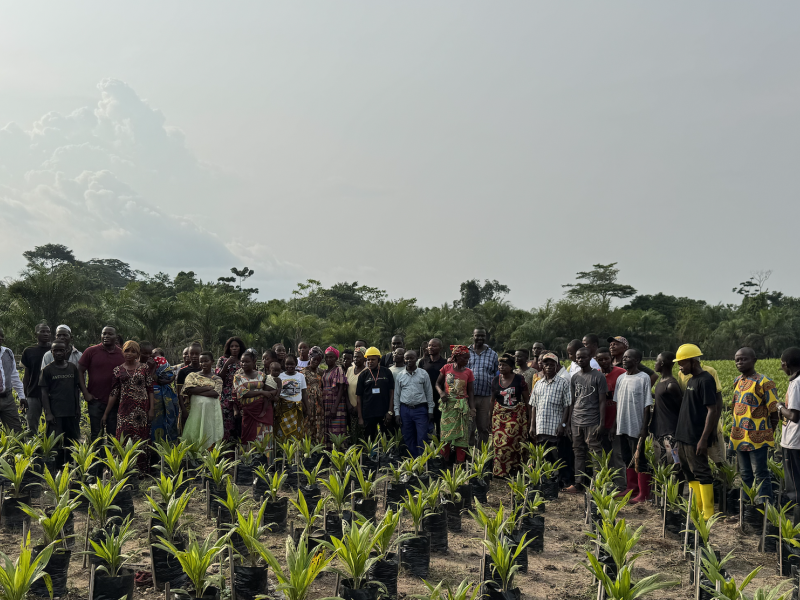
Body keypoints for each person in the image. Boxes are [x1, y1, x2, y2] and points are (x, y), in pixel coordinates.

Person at [674, 343, 721, 519]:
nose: (680, 367)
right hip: (684, 435)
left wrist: (703, 439)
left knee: (701, 471)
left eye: (682, 363)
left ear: (693, 361)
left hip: (696, 436)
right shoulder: (691, 380)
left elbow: (712, 410)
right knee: (688, 471)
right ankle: (697, 507)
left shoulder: (706, 379)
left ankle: (708, 512)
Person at [731, 347, 778, 504]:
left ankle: (766, 509)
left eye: (744, 359)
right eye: (737, 359)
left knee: (761, 473)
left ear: (754, 360)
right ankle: (746, 507)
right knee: (745, 474)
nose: (740, 362)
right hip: (739, 435)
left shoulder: (764, 382)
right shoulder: (738, 381)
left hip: (758, 436)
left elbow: (774, 411)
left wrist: (768, 430)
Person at [103, 341, 155, 473]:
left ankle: (141, 470)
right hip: (124, 411)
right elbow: (114, 393)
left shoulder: (144, 368)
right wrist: (106, 413)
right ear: (123, 352)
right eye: (127, 351)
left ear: (138, 354)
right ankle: (125, 470)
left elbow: (150, 389)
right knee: (124, 438)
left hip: (142, 411)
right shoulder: (118, 370)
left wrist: (152, 409)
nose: (129, 354)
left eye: (133, 351)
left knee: (141, 439)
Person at [564, 347, 607, 494]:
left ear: (590, 358)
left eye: (583, 357)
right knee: (578, 452)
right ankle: (578, 483)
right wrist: (569, 423)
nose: (580, 360)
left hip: (592, 421)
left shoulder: (598, 377)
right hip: (576, 421)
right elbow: (572, 401)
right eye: (578, 358)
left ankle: (597, 484)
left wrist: (602, 423)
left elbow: (602, 402)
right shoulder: (575, 377)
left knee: (595, 453)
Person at [39, 340, 89, 466]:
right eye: (56, 350)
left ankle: (70, 465)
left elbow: (75, 389)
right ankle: (56, 469)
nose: (59, 353)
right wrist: (48, 413)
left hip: (71, 411)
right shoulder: (47, 370)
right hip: (55, 412)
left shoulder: (72, 367)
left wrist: (77, 407)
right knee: (54, 442)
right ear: (52, 352)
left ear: (66, 352)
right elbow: (44, 393)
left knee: (71, 440)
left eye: (62, 350)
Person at [613, 348, 654, 502]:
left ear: (636, 361)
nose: (624, 359)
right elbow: (617, 403)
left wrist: (644, 427)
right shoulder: (621, 378)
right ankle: (632, 488)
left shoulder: (643, 378)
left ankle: (643, 493)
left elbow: (647, 406)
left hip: (636, 426)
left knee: (639, 458)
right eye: (623, 357)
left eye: (628, 357)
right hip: (622, 425)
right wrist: (614, 426)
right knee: (626, 456)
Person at [643, 352, 684, 493]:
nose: (654, 363)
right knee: (662, 465)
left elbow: (681, 409)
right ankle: (665, 494)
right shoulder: (662, 381)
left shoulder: (671, 385)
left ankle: (677, 495)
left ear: (662, 364)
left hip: (670, 432)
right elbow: (661, 399)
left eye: (656, 360)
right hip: (659, 430)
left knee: (676, 466)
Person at [529, 352, 572, 485]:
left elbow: (567, 405)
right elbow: (534, 406)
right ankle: (546, 480)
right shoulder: (538, 384)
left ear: (556, 365)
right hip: (541, 426)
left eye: (551, 364)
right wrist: (532, 425)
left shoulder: (563, 383)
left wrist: (563, 424)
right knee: (544, 455)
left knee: (558, 455)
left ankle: (561, 481)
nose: (548, 366)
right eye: (546, 364)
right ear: (542, 366)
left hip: (555, 426)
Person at [79, 325, 125, 440]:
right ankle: (95, 457)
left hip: (115, 402)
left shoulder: (122, 354)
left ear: (116, 337)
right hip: (95, 400)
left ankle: (110, 457)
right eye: (104, 333)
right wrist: (85, 392)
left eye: (110, 334)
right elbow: (79, 371)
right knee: (96, 434)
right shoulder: (91, 351)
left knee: (113, 434)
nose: (106, 336)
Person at [491, 353, 530, 478]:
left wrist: (529, 417)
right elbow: (492, 400)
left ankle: (513, 469)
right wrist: (489, 417)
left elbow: (526, 399)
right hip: (499, 415)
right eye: (500, 365)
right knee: (498, 443)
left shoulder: (519, 379)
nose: (501, 367)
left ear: (511, 367)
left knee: (510, 442)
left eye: (504, 365)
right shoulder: (495, 380)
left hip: (515, 415)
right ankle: (500, 471)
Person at [436, 345, 475, 465]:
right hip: (448, 407)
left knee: (462, 437)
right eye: (464, 358)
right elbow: (437, 383)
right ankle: (445, 462)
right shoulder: (446, 368)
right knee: (446, 436)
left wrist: (472, 408)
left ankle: (459, 464)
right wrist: (441, 392)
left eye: (468, 358)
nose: (467, 361)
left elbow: (471, 392)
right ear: (457, 357)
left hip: (462, 408)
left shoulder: (469, 372)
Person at [394, 350, 434, 458]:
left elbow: (429, 392)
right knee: (408, 436)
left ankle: (422, 461)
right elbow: (396, 395)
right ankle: (413, 461)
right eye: (407, 358)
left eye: (411, 358)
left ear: (417, 359)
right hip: (405, 410)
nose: (409, 360)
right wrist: (397, 413)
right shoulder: (400, 375)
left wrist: (430, 410)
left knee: (422, 436)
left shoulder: (423, 374)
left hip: (420, 409)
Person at [234, 350, 278, 445]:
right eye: (242, 361)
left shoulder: (261, 375)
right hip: (249, 411)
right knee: (249, 437)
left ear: (254, 361)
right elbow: (243, 393)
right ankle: (249, 459)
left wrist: (273, 393)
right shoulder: (238, 377)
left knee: (264, 435)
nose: (244, 364)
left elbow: (271, 387)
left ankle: (265, 458)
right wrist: (262, 392)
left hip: (264, 410)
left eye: (247, 361)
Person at [181, 351, 224, 448]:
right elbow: (188, 389)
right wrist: (207, 388)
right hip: (196, 412)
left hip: (211, 413)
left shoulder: (217, 379)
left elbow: (215, 393)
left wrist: (197, 391)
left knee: (209, 432)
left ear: (212, 361)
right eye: (201, 362)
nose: (203, 364)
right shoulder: (192, 376)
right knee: (195, 432)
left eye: (206, 361)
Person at [777, 347, 800, 524]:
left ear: (786, 365)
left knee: (795, 486)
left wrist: (779, 408)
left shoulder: (796, 383)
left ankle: (796, 526)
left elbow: (794, 415)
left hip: (794, 442)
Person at [141, 341, 180, 443]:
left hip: (158, 397)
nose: (150, 356)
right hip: (143, 398)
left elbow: (166, 376)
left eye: (151, 353)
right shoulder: (135, 364)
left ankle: (162, 448)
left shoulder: (158, 361)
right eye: (146, 353)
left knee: (160, 423)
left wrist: (168, 379)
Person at [468, 328, 499, 448]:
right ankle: (469, 456)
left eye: (482, 336)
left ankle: (482, 456)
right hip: (469, 397)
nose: (480, 338)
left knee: (483, 428)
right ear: (473, 336)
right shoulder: (466, 352)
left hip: (486, 396)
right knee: (469, 428)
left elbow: (497, 374)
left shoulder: (493, 354)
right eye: (477, 335)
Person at [356, 347, 395, 440]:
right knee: (370, 439)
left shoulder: (386, 372)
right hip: (368, 414)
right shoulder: (363, 375)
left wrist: (390, 411)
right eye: (368, 359)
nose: (370, 362)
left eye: (373, 359)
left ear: (379, 360)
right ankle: (371, 455)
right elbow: (359, 397)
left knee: (386, 438)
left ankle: (386, 454)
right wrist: (360, 418)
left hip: (384, 413)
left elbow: (392, 393)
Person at [21, 323, 52, 431]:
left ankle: (50, 447)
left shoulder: (56, 349)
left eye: (48, 331)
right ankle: (33, 446)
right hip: (33, 393)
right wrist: (24, 395)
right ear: (36, 334)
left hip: (51, 394)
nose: (46, 334)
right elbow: (26, 376)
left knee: (52, 424)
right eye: (42, 331)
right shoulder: (29, 351)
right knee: (32, 425)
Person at [596, 347, 625, 455]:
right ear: (596, 360)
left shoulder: (621, 373)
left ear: (611, 358)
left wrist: (614, 426)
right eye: (600, 360)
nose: (604, 362)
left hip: (617, 423)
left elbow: (623, 402)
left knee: (618, 455)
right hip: (601, 424)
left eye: (606, 359)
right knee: (603, 455)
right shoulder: (596, 375)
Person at [215, 336, 245, 442]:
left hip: (241, 395)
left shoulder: (244, 361)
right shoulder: (222, 360)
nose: (234, 348)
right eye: (232, 346)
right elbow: (219, 378)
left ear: (240, 348)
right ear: (228, 348)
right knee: (227, 423)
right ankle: (227, 453)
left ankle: (240, 451)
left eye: (237, 346)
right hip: (226, 396)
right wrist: (227, 364)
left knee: (240, 423)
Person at [418, 338, 447, 437]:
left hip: (440, 397)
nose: (430, 347)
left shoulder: (445, 362)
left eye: (434, 346)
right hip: (426, 398)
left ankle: (440, 447)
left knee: (440, 424)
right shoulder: (422, 362)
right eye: (429, 345)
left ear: (441, 348)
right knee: (426, 423)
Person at [276, 355, 308, 441]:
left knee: (296, 433)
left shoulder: (301, 376)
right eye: (287, 364)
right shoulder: (280, 376)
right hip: (283, 409)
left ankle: (296, 453)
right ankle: (283, 453)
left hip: (296, 409)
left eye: (292, 364)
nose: (289, 366)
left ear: (296, 364)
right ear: (284, 364)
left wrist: (307, 408)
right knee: (283, 432)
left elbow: (304, 393)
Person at [321, 347, 347, 449]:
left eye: (331, 357)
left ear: (336, 358)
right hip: (326, 403)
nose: (328, 359)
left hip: (336, 402)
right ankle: (329, 452)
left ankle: (338, 452)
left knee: (336, 428)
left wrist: (335, 407)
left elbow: (341, 388)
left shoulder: (338, 370)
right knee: (327, 429)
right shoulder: (325, 371)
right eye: (327, 357)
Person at [302, 346, 325, 445]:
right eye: (314, 359)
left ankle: (318, 450)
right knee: (307, 425)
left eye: (318, 360)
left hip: (319, 404)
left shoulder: (321, 372)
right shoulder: (302, 373)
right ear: (309, 357)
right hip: (308, 402)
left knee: (318, 426)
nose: (316, 362)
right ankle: (307, 450)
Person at [177, 343, 202, 425]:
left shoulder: (206, 370)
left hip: (202, 406)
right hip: (187, 406)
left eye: (197, 354)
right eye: (192, 353)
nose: (194, 356)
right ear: (188, 354)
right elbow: (179, 393)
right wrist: (183, 410)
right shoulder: (183, 371)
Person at [346, 347, 367, 443]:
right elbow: (346, 388)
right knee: (351, 434)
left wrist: (357, 407)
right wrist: (349, 405)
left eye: (358, 357)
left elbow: (366, 393)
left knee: (362, 435)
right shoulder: (350, 369)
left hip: (361, 409)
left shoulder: (367, 372)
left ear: (364, 358)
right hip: (350, 408)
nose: (356, 359)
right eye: (354, 357)